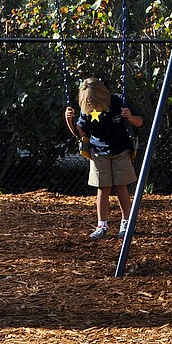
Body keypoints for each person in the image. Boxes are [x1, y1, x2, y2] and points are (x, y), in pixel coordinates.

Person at [64, 78, 143, 239]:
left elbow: (140, 122)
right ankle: (102, 225)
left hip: (121, 149)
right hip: (98, 152)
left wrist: (129, 117)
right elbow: (80, 133)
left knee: (121, 186)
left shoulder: (119, 101)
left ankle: (127, 222)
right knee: (102, 188)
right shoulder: (87, 108)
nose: (93, 106)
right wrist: (69, 121)